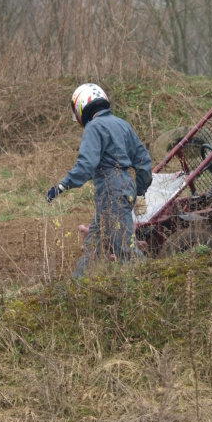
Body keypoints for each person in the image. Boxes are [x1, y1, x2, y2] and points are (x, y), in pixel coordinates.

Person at [46, 83, 152, 278]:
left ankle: (153, 280)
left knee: (124, 249)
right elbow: (144, 161)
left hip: (111, 191)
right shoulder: (122, 124)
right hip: (122, 189)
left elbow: (86, 164)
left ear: (80, 107)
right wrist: (140, 191)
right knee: (93, 247)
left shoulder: (94, 127)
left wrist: (61, 186)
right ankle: (77, 290)